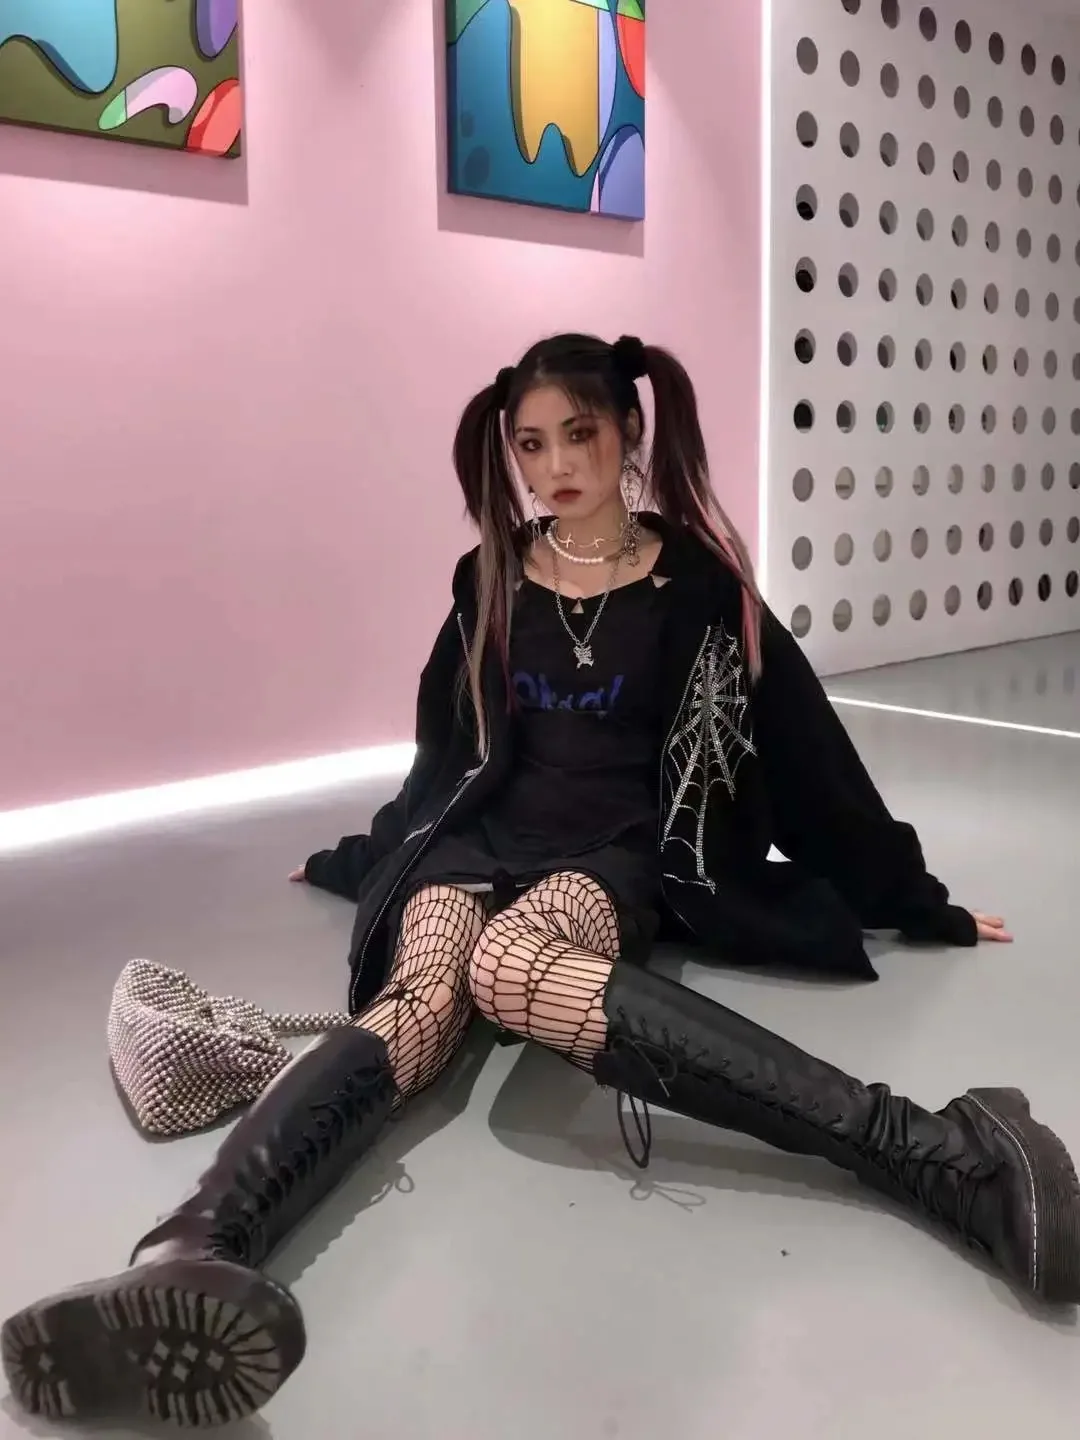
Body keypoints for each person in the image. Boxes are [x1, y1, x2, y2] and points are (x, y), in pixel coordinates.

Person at [4, 334, 1076, 1429]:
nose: (554, 465)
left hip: (607, 851)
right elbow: (445, 750)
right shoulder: (491, 575)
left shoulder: (698, 586)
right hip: (476, 841)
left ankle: (938, 1148)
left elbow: (809, 756)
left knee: (512, 964)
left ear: (629, 434)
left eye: (579, 434)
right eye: (529, 444)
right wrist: (363, 855)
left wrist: (914, 899)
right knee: (418, 1000)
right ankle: (189, 1247)